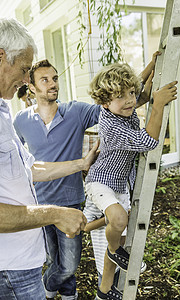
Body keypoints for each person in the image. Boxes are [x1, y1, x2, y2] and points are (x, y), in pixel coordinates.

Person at [0, 17, 99, 300]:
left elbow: (29, 168)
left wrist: (80, 164)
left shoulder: (4, 112)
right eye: (23, 70)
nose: (23, 80)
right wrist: (54, 213)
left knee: (66, 265)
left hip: (24, 261)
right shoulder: (20, 118)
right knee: (64, 265)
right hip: (10, 270)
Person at [84, 62, 178, 300]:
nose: (129, 100)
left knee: (118, 236)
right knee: (117, 222)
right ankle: (112, 248)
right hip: (102, 182)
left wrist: (153, 66)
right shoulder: (112, 124)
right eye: (120, 96)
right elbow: (148, 141)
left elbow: (139, 92)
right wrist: (157, 105)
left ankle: (104, 291)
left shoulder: (120, 107)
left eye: (130, 94)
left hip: (120, 185)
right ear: (105, 102)